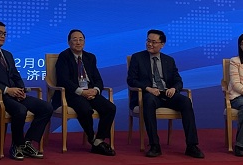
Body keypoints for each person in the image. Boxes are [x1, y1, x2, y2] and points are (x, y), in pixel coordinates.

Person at [0, 21, 53, 161]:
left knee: (46, 107)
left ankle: (27, 142)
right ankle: (17, 145)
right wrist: (7, 90)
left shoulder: (7, 55)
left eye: (5, 34)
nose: (3, 36)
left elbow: (16, 75)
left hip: (14, 95)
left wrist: (21, 90)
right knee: (20, 110)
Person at [127, 29, 204, 159]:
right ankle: (154, 145)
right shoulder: (137, 58)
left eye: (153, 42)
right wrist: (148, 88)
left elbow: (178, 80)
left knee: (186, 102)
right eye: (148, 41)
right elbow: (131, 80)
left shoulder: (169, 60)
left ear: (162, 44)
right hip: (149, 94)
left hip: (167, 94)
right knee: (148, 101)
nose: (149, 44)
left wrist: (174, 88)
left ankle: (192, 146)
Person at [54, 29, 116, 156]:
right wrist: (81, 92)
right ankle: (92, 138)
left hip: (91, 92)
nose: (78, 42)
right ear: (69, 42)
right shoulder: (64, 56)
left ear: (84, 42)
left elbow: (98, 79)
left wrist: (95, 90)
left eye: (81, 39)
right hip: (72, 93)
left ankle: (99, 140)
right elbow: (63, 80)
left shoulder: (90, 57)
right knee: (85, 109)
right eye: (75, 39)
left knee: (110, 108)